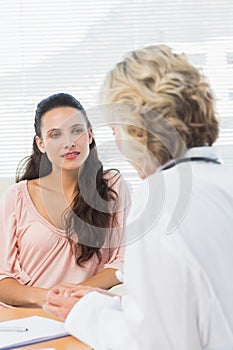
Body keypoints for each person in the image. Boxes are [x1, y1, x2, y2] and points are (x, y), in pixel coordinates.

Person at [43, 46, 233, 349]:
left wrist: (83, 313)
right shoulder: (223, 184)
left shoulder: (161, 201)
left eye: (116, 129)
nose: (117, 141)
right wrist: (119, 305)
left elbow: (154, 343)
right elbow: (201, 305)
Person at [0, 92, 129, 308]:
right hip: (25, 319)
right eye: (55, 135)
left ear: (89, 135)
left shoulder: (112, 187)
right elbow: (2, 278)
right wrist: (51, 298)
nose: (69, 143)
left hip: (83, 312)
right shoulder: (17, 196)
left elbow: (122, 262)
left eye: (76, 131)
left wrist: (76, 296)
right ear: (41, 144)